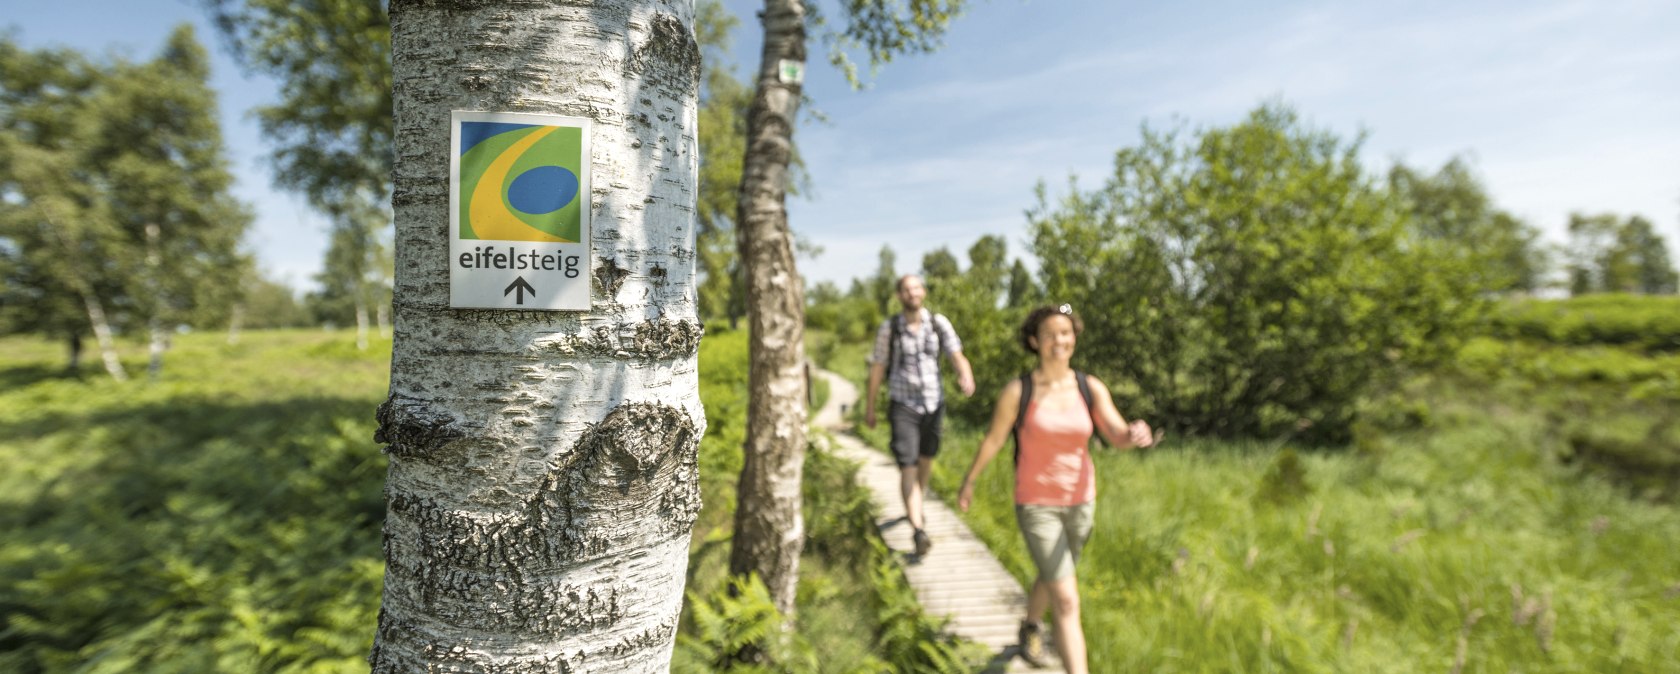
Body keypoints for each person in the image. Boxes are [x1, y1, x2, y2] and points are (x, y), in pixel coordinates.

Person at [957, 304, 1156, 673]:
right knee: (1066, 598)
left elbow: (1115, 433)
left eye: (1065, 333)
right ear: (1034, 341)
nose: (1058, 341)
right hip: (1036, 504)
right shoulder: (1020, 391)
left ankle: (1030, 625)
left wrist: (1133, 434)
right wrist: (969, 481)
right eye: (1049, 334)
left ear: (1074, 338)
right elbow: (994, 440)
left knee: (1054, 575)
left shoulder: (1089, 387)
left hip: (1082, 501)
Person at [866, 274, 975, 557]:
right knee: (908, 466)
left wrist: (966, 374)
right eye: (906, 289)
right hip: (903, 404)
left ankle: (916, 504)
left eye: (915, 287)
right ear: (899, 295)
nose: (912, 293)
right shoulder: (890, 329)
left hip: (933, 404)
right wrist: (870, 405)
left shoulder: (938, 323)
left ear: (923, 292)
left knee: (926, 461)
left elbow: (956, 354)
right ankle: (917, 528)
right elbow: (878, 367)